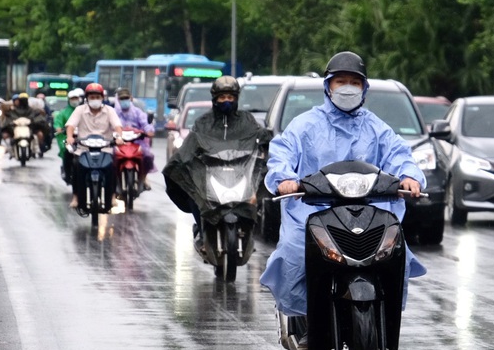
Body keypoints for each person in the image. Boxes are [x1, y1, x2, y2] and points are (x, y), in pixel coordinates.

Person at [260, 51, 427, 323]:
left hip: (369, 212)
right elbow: (282, 154)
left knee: (397, 254)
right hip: (312, 210)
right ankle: (302, 318)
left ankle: (385, 314)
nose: (347, 88)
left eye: (354, 82)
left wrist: (409, 176)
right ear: (328, 87)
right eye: (341, 81)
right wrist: (283, 179)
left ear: (364, 88)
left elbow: (400, 155)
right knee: (294, 252)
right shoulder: (304, 125)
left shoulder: (377, 128)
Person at [163, 76, 271, 246]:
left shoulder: (247, 120)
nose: (226, 101)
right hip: (210, 172)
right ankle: (201, 228)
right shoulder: (203, 122)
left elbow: (261, 136)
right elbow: (191, 144)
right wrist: (182, 161)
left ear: (236, 98)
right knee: (194, 194)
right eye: (222, 97)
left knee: (257, 191)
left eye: (230, 97)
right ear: (215, 99)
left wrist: (268, 144)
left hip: (240, 171)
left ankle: (248, 226)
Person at [65, 83, 125, 208]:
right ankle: (76, 195)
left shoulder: (109, 110)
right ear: (87, 98)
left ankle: (113, 195)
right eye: (92, 97)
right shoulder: (79, 110)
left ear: (102, 98)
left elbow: (117, 126)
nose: (95, 99)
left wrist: (119, 137)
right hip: (83, 148)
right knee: (76, 166)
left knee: (114, 166)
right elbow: (71, 125)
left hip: (105, 148)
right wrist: (70, 137)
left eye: (97, 97)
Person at [114, 87, 156, 189]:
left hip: (137, 142)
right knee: (110, 158)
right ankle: (114, 182)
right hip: (119, 142)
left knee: (148, 157)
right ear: (118, 100)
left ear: (131, 99)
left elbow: (145, 124)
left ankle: (143, 178)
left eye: (126, 98)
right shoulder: (114, 113)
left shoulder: (137, 112)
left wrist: (149, 131)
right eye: (122, 99)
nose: (124, 101)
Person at [54, 89, 83, 183]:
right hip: (69, 138)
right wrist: (59, 128)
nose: (75, 100)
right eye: (72, 98)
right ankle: (67, 173)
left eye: (76, 98)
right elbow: (58, 122)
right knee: (67, 152)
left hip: (83, 138)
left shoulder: (84, 111)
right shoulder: (64, 112)